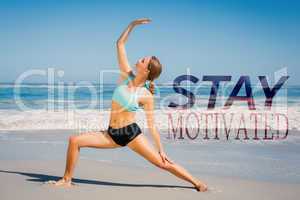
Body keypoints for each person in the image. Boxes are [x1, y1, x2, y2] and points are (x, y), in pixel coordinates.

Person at [50, 18, 208, 192]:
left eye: (143, 60)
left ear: (146, 70)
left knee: (163, 164)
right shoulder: (126, 75)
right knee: (74, 141)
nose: (139, 59)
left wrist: (161, 150)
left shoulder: (146, 95)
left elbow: (152, 126)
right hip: (111, 133)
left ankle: (197, 183)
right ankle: (66, 179)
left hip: (130, 134)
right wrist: (133, 24)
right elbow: (120, 44)